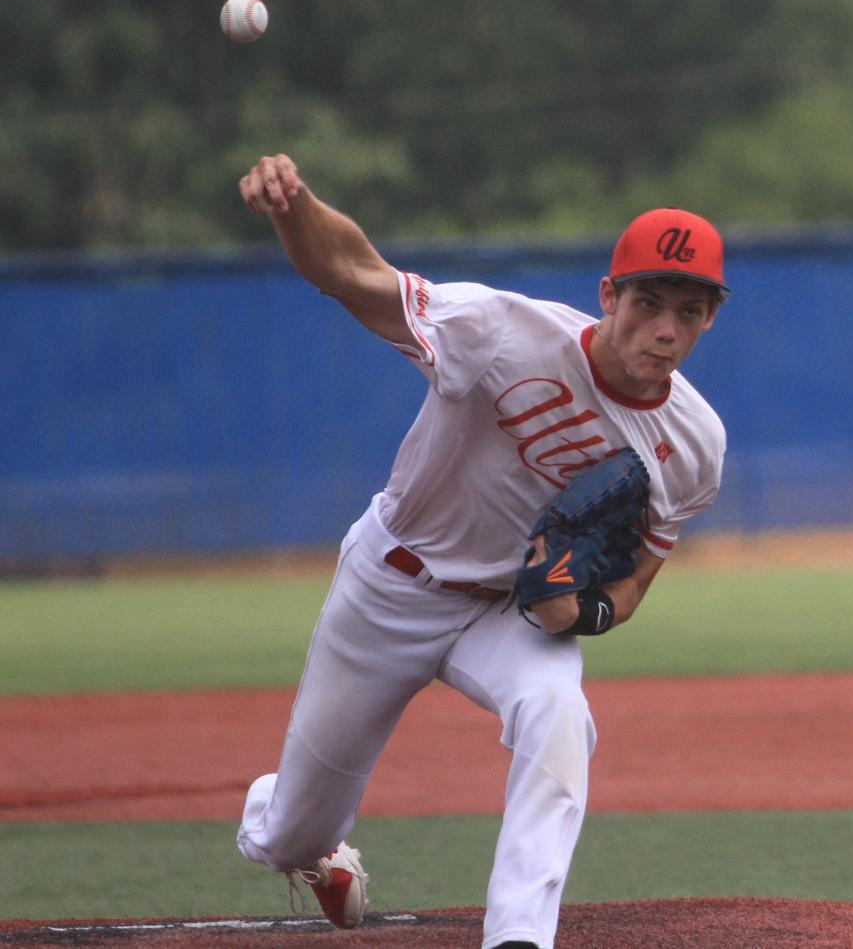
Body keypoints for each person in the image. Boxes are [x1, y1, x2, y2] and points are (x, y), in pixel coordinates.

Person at [235, 153, 729, 949]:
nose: (667, 329)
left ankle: (520, 937)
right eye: (648, 302)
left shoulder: (696, 442)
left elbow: (637, 575)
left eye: (691, 310)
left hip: (510, 612)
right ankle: (303, 839)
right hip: (391, 586)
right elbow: (355, 275)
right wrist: (293, 207)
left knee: (560, 712)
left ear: (711, 318)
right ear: (609, 296)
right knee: (290, 834)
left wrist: (589, 610)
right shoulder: (499, 330)